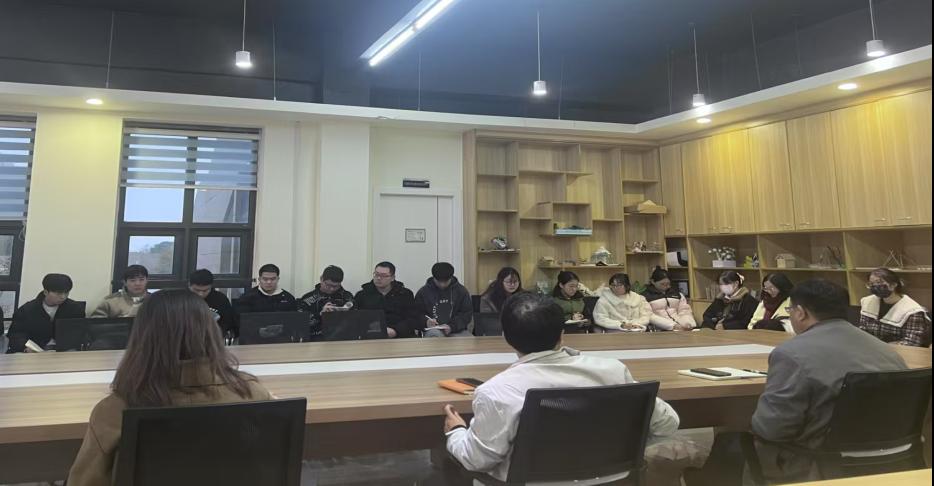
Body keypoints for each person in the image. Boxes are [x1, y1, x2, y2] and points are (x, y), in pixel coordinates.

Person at [441, 292, 680, 483]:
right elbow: (667, 423)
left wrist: (456, 432)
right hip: (611, 480)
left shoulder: (496, 391)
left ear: (505, 337)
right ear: (562, 334)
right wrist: (625, 445)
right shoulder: (613, 371)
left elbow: (478, 460)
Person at [67, 289, 273, 486]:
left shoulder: (116, 409)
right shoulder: (252, 393)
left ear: (142, 336)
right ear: (211, 332)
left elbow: (85, 481)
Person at [750, 279, 907, 482]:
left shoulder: (791, 354)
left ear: (800, 312)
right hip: (893, 461)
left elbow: (772, 429)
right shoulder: (888, 352)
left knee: (733, 444)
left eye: (790, 310)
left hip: (819, 464)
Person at [6, 273, 85, 353]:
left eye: (66, 293)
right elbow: (16, 334)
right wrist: (24, 347)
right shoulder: (27, 310)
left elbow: (81, 332)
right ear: (46, 292)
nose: (63, 297)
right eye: (58, 293)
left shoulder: (75, 309)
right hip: (35, 351)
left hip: (64, 351)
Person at [857, 268, 931, 347]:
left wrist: (883, 347)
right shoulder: (868, 302)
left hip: (898, 351)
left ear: (893, 285)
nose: (875, 286)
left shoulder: (913, 311)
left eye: (879, 282)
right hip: (872, 349)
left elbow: (911, 342)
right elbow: (863, 330)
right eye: (871, 284)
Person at [354, 261, 419, 339]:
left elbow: (412, 318)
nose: (378, 278)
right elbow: (356, 318)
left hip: (400, 335)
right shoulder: (362, 295)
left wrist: (396, 331)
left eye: (383, 276)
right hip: (370, 335)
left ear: (392, 278)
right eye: (376, 274)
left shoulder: (405, 294)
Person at [415, 262, 473, 338]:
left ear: (451, 278)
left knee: (466, 340)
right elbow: (417, 313)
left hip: (456, 329)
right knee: (434, 335)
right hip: (433, 329)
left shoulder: (461, 291)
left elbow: (466, 314)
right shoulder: (423, 292)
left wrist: (452, 326)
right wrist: (426, 322)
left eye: (445, 282)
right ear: (434, 278)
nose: (442, 285)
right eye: (439, 282)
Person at [298, 265, 355, 341]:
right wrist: (321, 314)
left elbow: (356, 320)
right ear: (321, 279)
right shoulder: (307, 299)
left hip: (343, 340)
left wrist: (344, 312)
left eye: (336, 286)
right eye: (328, 285)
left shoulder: (347, 297)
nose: (331, 289)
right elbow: (300, 324)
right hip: (316, 340)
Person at [188, 269, 238, 339]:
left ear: (211, 287)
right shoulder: (181, 299)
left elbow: (228, 322)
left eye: (205, 290)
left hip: (214, 337)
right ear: (189, 286)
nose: (200, 294)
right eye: (196, 290)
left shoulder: (220, 299)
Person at [642, 266, 696, 331]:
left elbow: (684, 310)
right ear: (653, 281)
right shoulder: (645, 296)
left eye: (668, 284)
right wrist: (673, 326)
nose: (666, 286)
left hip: (681, 326)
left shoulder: (678, 294)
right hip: (661, 328)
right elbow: (650, 316)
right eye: (662, 284)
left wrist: (687, 323)